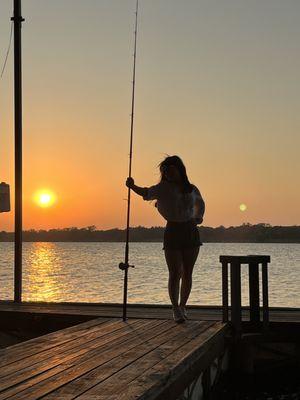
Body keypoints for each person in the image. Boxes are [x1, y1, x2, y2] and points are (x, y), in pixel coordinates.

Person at [126, 155, 205, 323]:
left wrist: (199, 217)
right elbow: (146, 192)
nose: (167, 173)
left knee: (188, 272)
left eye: (170, 169)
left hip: (190, 229)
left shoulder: (191, 188)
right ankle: (175, 308)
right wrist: (132, 186)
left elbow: (200, 202)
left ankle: (183, 305)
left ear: (179, 170)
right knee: (175, 272)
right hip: (173, 230)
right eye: (164, 170)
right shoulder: (162, 188)